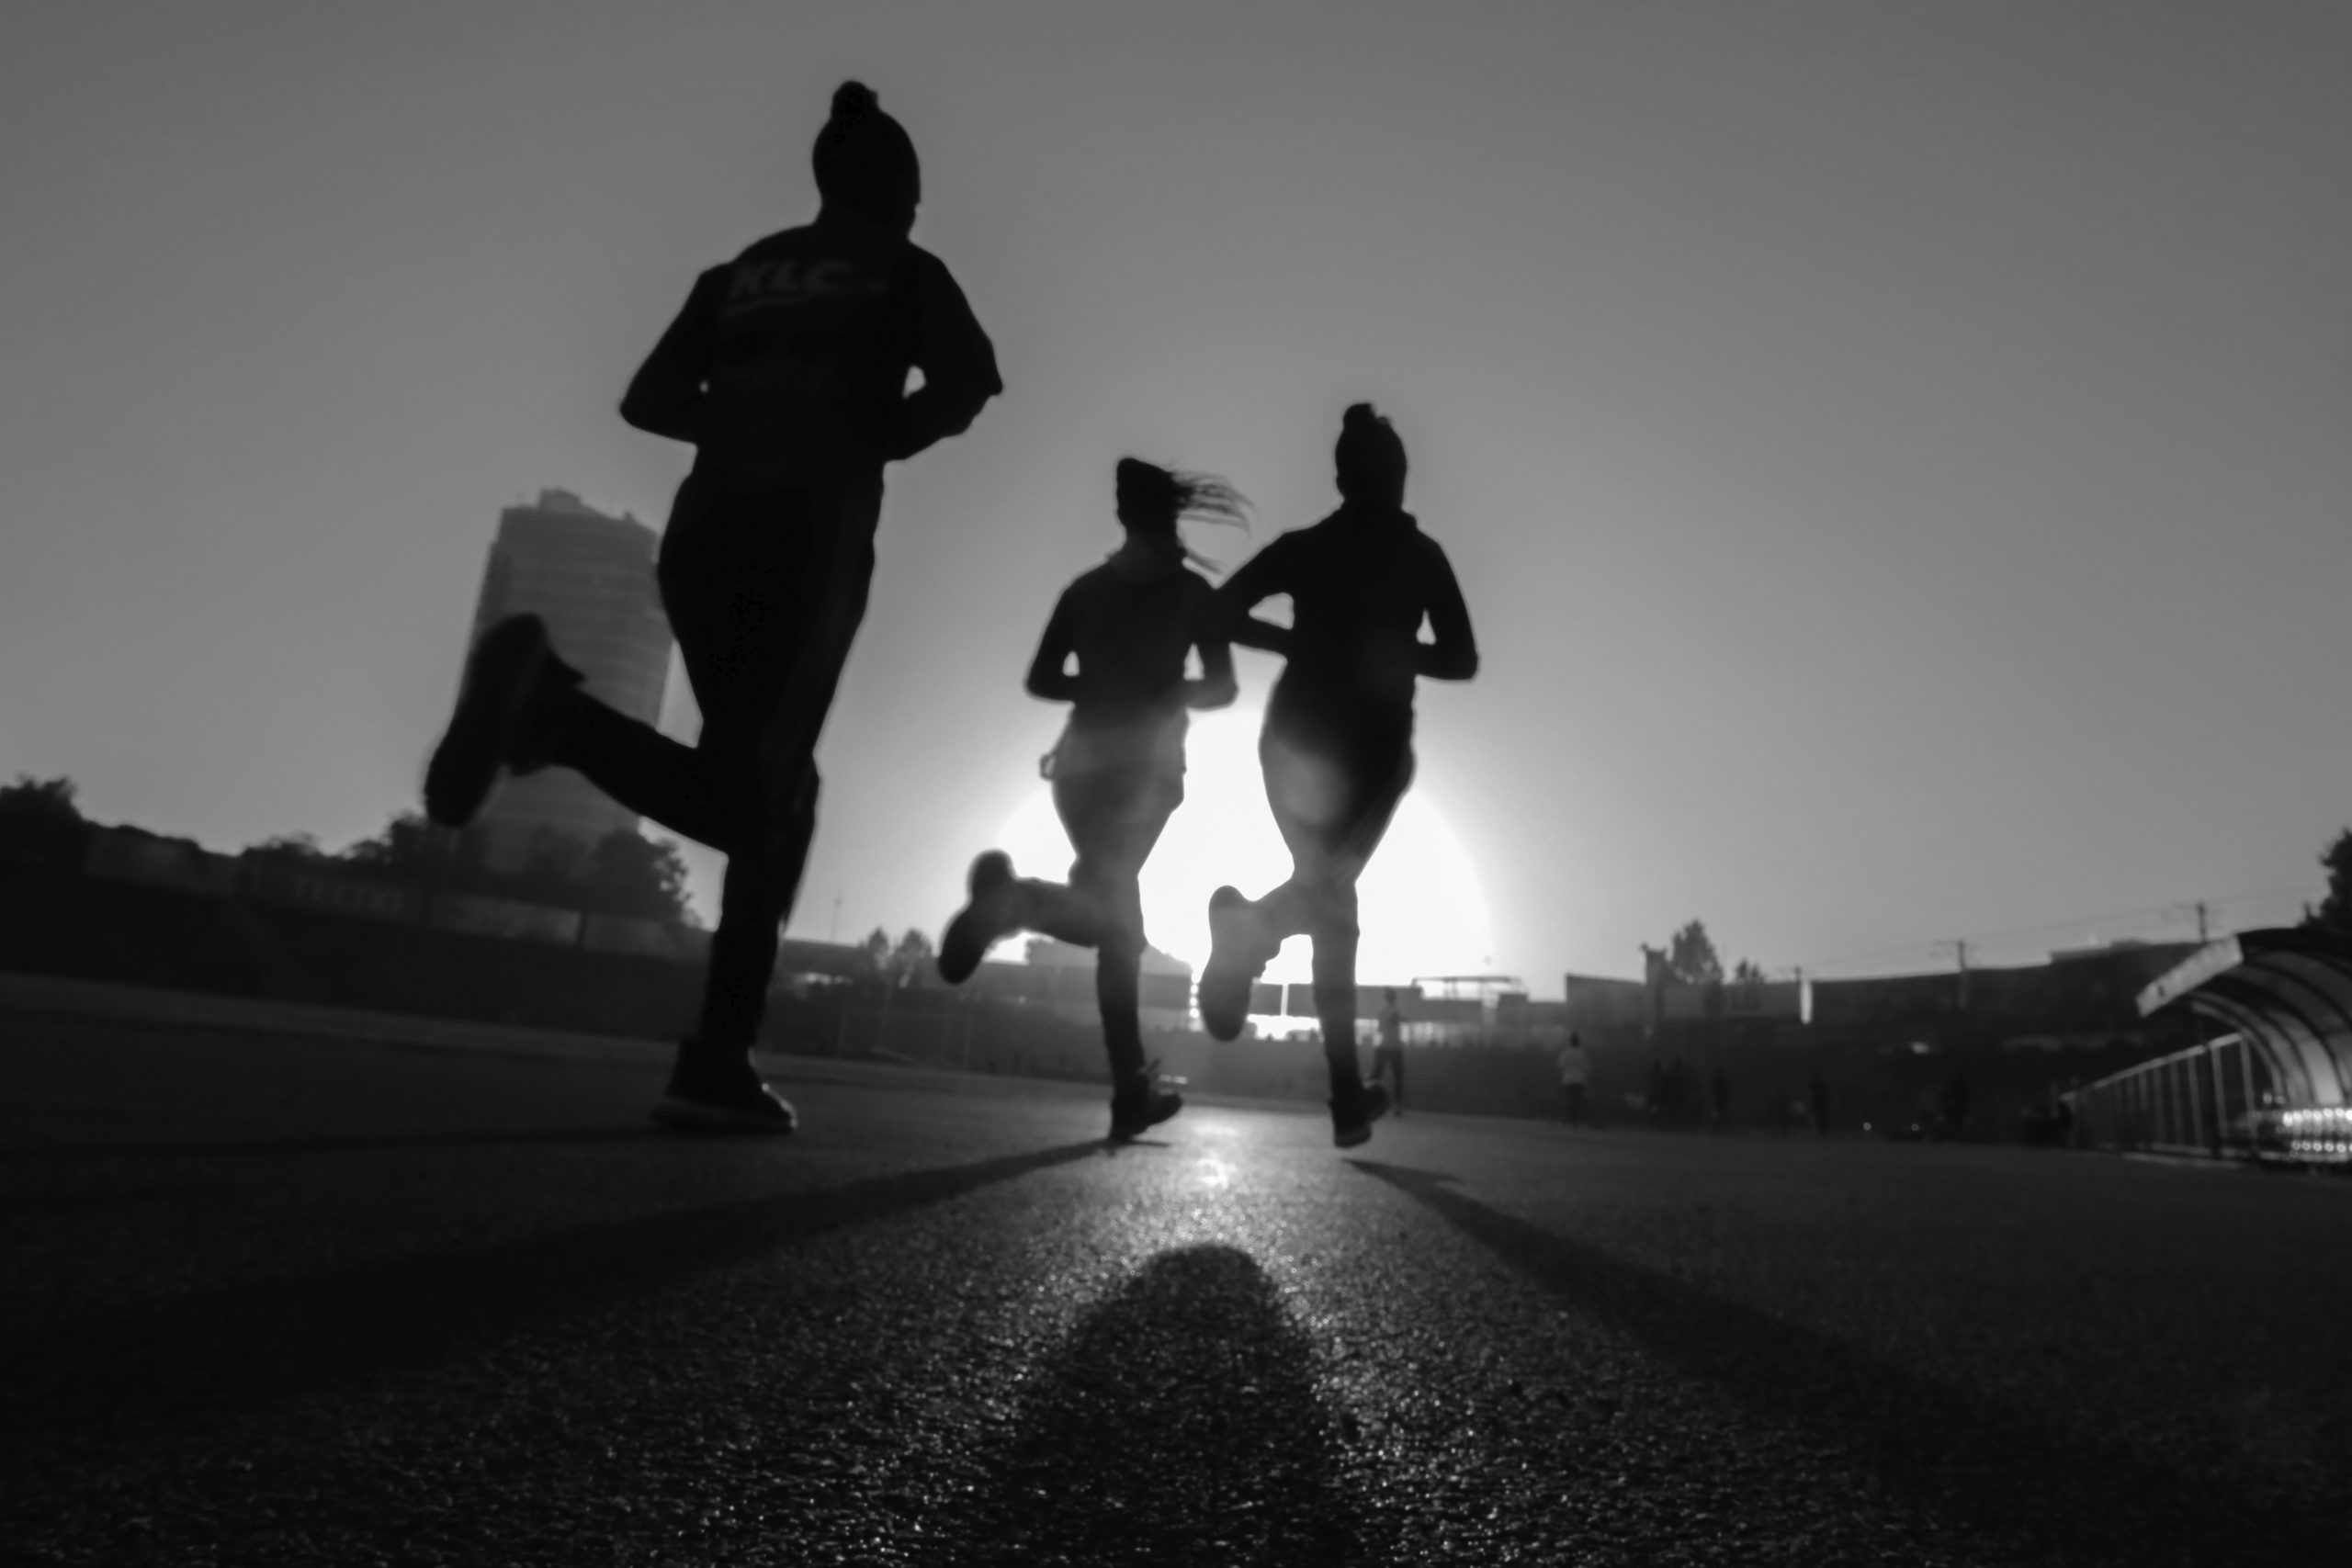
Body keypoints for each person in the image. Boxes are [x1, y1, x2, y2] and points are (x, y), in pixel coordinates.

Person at [422, 82, 1001, 1134]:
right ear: (904, 192)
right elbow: (970, 383)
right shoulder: (903, 271)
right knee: (764, 799)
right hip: (806, 533)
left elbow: (646, 400)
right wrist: (873, 435)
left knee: (775, 784)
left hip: (705, 534)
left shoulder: (737, 275)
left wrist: (739, 420)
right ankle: (556, 720)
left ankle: (717, 1056)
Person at [1194, 404, 1478, 1149]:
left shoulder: (1307, 547)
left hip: (1290, 748)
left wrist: (1298, 641)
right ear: (1393, 476)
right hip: (1370, 762)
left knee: (1330, 899)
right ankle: (1341, 1088)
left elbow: (1218, 612)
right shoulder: (1421, 557)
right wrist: (1388, 651)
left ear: (1343, 477)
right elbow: (1462, 658)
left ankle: (1255, 950)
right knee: (1332, 900)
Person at [933, 460, 1243, 1139]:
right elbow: (1223, 688)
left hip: (1076, 773)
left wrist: (1100, 685)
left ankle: (1130, 1088)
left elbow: (1042, 677)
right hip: (1145, 775)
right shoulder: (1193, 594)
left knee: (1119, 929)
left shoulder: (1086, 590)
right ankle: (1014, 903)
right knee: (1116, 926)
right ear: (1171, 516)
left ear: (1123, 517)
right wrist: (1163, 689)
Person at [1372, 987, 1407, 1115]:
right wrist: (1402, 1019)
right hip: (1394, 1048)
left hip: (1383, 1046)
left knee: (1376, 1076)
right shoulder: (1394, 1011)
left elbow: (1380, 1030)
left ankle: (1371, 1102)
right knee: (1398, 1078)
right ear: (1394, 998)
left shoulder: (1381, 1012)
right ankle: (1396, 1105)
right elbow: (1396, 1019)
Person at [1557, 1031, 1591, 1126]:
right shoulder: (1582, 1054)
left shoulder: (1566, 1053)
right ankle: (1574, 1119)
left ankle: (1568, 1118)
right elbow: (1587, 1067)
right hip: (1579, 1080)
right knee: (1577, 1101)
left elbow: (1560, 1065)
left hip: (1568, 1080)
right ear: (1578, 1042)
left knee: (1569, 1099)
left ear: (1570, 1042)